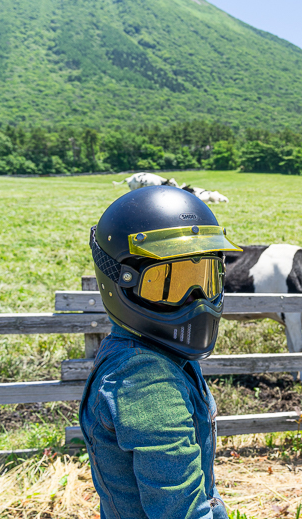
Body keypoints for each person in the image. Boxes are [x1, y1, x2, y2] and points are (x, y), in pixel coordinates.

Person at [79, 185, 241, 519]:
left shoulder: (158, 353)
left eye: (204, 278)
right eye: (168, 283)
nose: (195, 299)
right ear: (121, 280)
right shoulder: (144, 380)